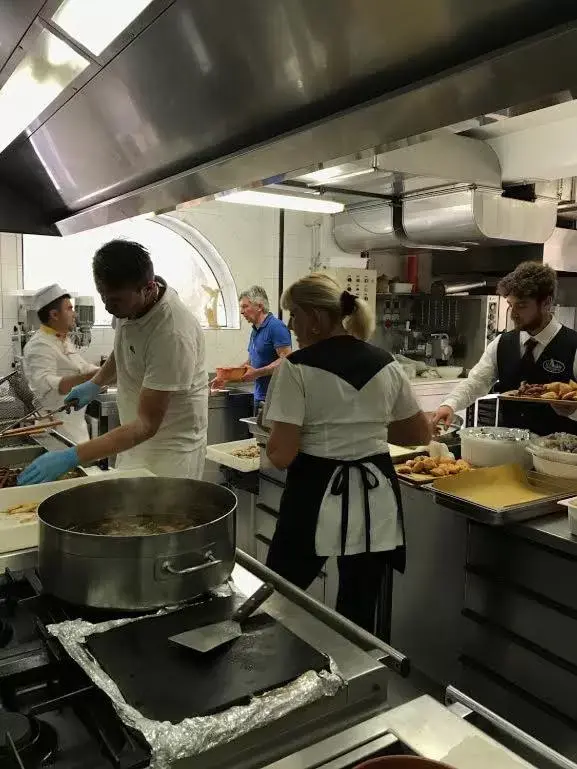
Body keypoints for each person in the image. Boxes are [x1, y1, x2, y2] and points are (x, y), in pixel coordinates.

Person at [263, 273, 431, 632]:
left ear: (316, 318)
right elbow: (419, 433)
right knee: (358, 607)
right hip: (376, 493)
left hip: (315, 488)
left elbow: (281, 455)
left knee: (279, 591)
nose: (291, 325)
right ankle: (356, 677)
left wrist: (272, 443)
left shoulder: (296, 367)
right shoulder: (386, 363)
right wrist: (365, 424)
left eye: (294, 315)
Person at [18, 240, 208, 485]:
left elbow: (147, 424)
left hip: (169, 451)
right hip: (133, 440)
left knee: (162, 521)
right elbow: (124, 351)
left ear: (148, 288)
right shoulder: (129, 306)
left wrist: (73, 456)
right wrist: (96, 383)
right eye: (103, 297)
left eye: (114, 301)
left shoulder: (172, 333)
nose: (108, 308)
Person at [433, 262, 577, 436]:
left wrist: (573, 412)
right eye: (510, 304)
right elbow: (477, 382)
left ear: (546, 303)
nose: (513, 313)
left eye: (522, 305)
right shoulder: (502, 343)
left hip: (559, 455)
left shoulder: (573, 345)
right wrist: (450, 404)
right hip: (510, 449)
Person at [22, 285, 99, 444]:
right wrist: (87, 377)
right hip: (57, 431)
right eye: (70, 309)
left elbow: (82, 367)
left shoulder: (63, 340)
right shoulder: (39, 345)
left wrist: (109, 371)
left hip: (76, 430)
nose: (75, 314)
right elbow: (46, 384)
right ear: (54, 314)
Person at [212, 286, 291, 412]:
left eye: (245, 306)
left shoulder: (276, 327)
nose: (242, 312)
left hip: (275, 399)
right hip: (259, 396)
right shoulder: (255, 330)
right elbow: (250, 363)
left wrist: (258, 373)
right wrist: (226, 378)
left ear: (259, 307)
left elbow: (286, 360)